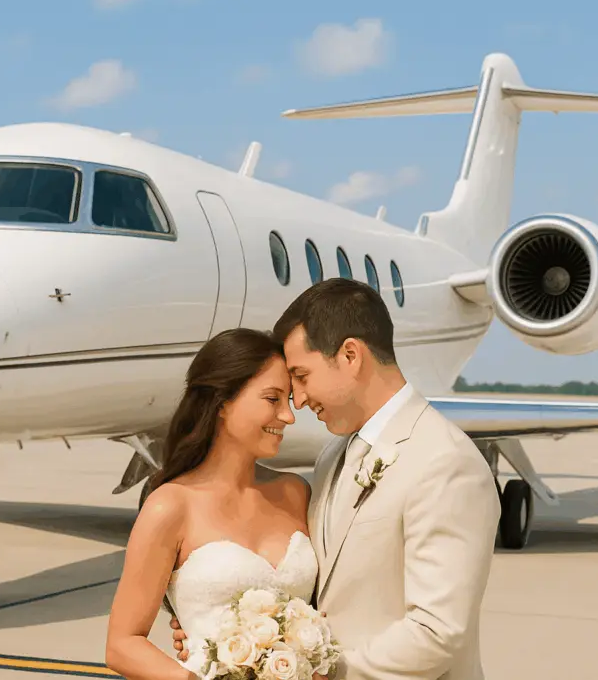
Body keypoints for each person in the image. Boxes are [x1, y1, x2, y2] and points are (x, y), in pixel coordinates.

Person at [169, 278, 502, 680]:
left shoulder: (447, 462)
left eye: (302, 376)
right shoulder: (331, 456)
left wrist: (313, 673)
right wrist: (227, 641)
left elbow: (437, 632)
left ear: (350, 355)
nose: (300, 399)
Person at [104, 327, 321, 680]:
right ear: (222, 403)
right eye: (272, 399)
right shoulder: (169, 507)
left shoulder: (296, 493)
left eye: (289, 401)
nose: (288, 416)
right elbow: (122, 644)